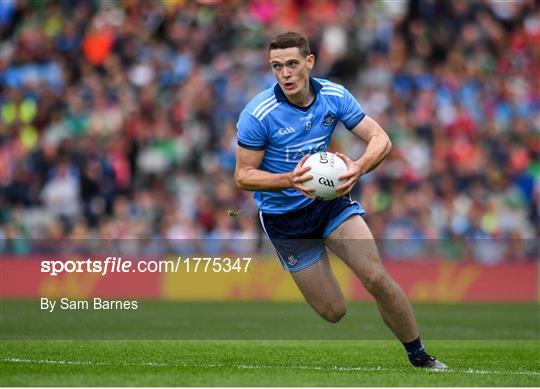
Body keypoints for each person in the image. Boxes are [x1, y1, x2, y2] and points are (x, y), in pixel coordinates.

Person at [235, 31, 447, 369]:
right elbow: (243, 175)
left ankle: (420, 356)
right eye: (277, 67)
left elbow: (380, 139)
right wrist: (289, 179)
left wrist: (358, 167)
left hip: (329, 202)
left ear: (310, 62)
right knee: (334, 311)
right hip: (284, 219)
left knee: (375, 276)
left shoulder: (334, 95)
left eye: (292, 64)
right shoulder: (258, 113)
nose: (285, 74)